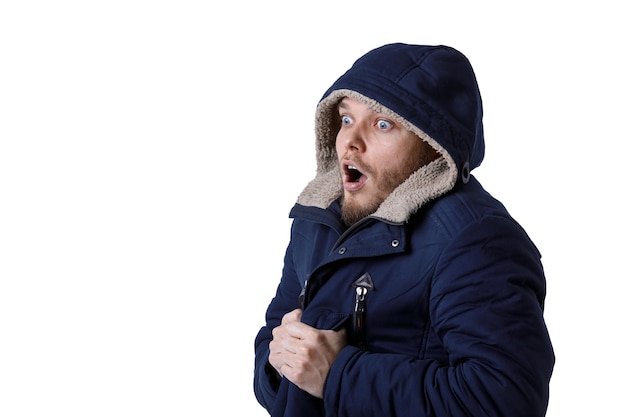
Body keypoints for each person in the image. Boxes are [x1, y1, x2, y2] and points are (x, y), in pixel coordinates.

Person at [253, 43, 555, 417]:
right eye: (346, 119)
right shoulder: (318, 217)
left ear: (432, 145)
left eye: (383, 124)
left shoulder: (476, 240)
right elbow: (274, 336)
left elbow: (504, 399)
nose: (351, 141)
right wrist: (278, 366)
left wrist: (337, 375)